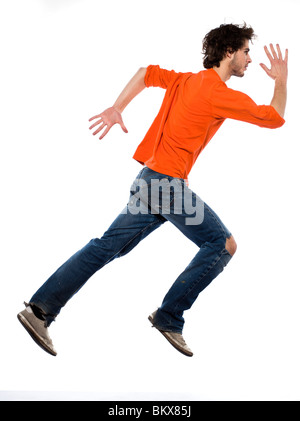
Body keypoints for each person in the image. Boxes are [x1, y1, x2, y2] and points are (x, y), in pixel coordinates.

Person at [17, 23, 288, 357]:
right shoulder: (219, 93)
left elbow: (145, 72)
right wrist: (280, 80)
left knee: (104, 248)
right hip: (166, 186)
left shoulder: (185, 80)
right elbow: (274, 117)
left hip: (150, 181)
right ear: (229, 52)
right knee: (223, 244)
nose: (249, 59)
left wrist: (118, 107)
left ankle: (39, 310)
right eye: (246, 51)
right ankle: (170, 317)